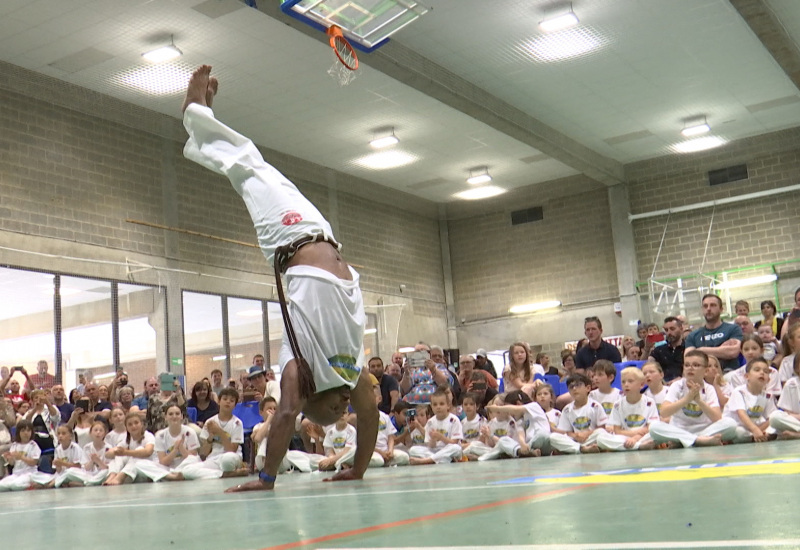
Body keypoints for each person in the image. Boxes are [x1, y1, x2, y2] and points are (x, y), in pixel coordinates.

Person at [181, 66, 376, 491]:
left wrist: (267, 477)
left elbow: (285, 415)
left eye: (335, 411)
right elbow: (372, 414)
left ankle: (196, 114)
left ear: (311, 403)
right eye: (344, 408)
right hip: (320, 232)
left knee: (251, 169)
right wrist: (359, 467)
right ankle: (199, 119)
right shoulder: (349, 374)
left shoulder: (298, 372)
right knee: (253, 167)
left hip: (289, 240)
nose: (346, 404)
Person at [649, 351, 737, 448]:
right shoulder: (677, 386)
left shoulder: (709, 389)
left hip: (705, 430)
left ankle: (684, 440)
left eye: (696, 365)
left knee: (731, 424)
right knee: (654, 427)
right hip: (679, 429)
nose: (690, 368)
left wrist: (699, 400)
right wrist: (687, 398)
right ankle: (698, 440)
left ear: (706, 371)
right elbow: (664, 412)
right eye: (687, 365)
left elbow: (716, 417)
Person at [180, 388, 247, 480]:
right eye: (225, 399)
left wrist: (219, 431)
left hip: (231, 457)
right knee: (187, 470)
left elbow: (231, 450)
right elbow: (204, 453)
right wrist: (210, 438)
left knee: (227, 460)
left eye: (232, 401)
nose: (228, 402)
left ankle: (220, 473)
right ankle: (224, 474)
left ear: (235, 405)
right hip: (214, 458)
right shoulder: (210, 422)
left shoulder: (237, 423)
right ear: (219, 401)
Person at [596, 368, 658, 452]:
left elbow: (650, 428)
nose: (626, 385)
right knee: (600, 438)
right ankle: (638, 446)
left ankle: (630, 445)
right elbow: (617, 430)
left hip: (643, 436)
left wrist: (636, 438)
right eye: (623, 382)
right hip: (624, 437)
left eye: (630, 381)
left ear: (642, 384)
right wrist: (633, 437)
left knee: (654, 433)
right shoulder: (618, 404)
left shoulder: (649, 402)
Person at [135, 404, 202, 482]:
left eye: (177, 414)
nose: (174, 416)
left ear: (182, 417)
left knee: (194, 460)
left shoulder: (190, 432)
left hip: (186, 467)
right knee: (139, 464)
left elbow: (192, 457)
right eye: (170, 414)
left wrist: (181, 448)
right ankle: (172, 476)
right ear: (165, 417)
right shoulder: (160, 435)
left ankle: (176, 474)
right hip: (168, 468)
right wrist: (175, 450)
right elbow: (163, 462)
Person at [548, 374, 607, 454]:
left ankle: (571, 449)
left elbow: (602, 427)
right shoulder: (567, 409)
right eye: (571, 387)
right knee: (553, 437)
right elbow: (565, 432)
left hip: (591, 437)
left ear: (588, 388)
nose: (574, 389)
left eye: (578, 385)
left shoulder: (595, 406)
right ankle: (581, 449)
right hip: (575, 440)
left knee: (601, 433)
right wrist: (576, 436)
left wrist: (587, 434)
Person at [723, 357, 778, 444]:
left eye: (766, 371)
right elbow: (741, 414)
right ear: (747, 376)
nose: (762, 373)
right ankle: (758, 437)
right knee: (738, 431)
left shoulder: (768, 395)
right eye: (757, 370)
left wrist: (759, 430)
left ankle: (755, 437)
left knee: (775, 422)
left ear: (768, 379)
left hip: (755, 428)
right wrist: (755, 430)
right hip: (739, 426)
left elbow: (770, 418)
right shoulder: (739, 392)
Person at [685, 294, 743, 373]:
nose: (708, 309)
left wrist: (700, 350)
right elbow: (688, 357)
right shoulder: (693, 335)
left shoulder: (733, 329)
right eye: (705, 306)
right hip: (703, 376)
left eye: (713, 305)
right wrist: (721, 350)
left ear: (721, 309)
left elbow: (733, 352)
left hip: (729, 373)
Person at [408, 387, 463, 465]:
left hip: (449, 449)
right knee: (413, 450)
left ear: (448, 406)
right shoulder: (430, 422)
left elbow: (454, 443)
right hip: (436, 451)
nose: (438, 407)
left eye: (441, 404)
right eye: (435, 404)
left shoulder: (454, 420)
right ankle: (443, 459)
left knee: (456, 448)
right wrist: (433, 439)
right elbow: (430, 446)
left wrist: (441, 437)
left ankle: (427, 460)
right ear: (431, 407)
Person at [103, 412, 157, 485]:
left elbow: (148, 452)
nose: (133, 426)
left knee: (138, 450)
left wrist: (125, 452)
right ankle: (112, 476)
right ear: (127, 428)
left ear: (141, 424)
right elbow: (109, 454)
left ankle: (120, 477)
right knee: (117, 457)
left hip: (147, 468)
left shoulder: (148, 436)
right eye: (130, 424)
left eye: (136, 423)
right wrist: (115, 452)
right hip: (132, 470)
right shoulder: (126, 438)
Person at [0, 420, 53, 491]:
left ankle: (32, 485)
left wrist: (21, 457)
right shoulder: (15, 445)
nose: (26, 433)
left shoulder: (33, 445)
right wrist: (9, 458)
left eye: (28, 430)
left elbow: (33, 462)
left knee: (16, 485)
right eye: (23, 431)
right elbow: (12, 463)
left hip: (29, 473)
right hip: (16, 473)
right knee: (2, 485)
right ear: (18, 433)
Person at [769, 354, 800, 438]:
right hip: (797, 421)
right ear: (796, 368)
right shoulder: (791, 383)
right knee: (775, 417)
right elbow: (787, 411)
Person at [49, 424, 86, 488]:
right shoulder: (58, 449)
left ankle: (56, 483)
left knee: (69, 471)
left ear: (71, 436)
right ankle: (64, 482)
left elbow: (78, 466)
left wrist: (63, 463)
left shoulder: (75, 447)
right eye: (58, 434)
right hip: (63, 474)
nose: (60, 436)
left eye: (63, 434)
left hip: (76, 473)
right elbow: (59, 471)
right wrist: (58, 465)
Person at [649, 316, 685, 382]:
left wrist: (682, 379)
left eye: (672, 329)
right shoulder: (658, 351)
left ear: (681, 329)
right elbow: (649, 368)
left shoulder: (688, 348)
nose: (669, 332)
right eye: (666, 330)